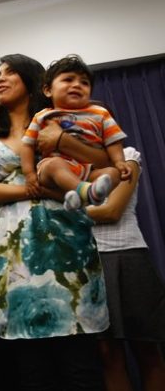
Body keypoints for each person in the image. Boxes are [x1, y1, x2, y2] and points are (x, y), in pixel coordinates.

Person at [0, 54, 110, 389]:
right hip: (13, 251)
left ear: (33, 80)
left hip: (67, 244)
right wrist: (32, 189)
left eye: (10, 72)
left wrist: (62, 142)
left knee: (80, 362)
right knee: (31, 366)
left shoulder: (61, 122)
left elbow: (105, 161)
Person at [86, 147, 165, 391]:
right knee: (108, 354)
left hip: (129, 256)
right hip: (88, 263)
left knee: (148, 349)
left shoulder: (129, 156)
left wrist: (66, 214)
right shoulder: (67, 166)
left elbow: (112, 210)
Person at [20, 54, 131, 211]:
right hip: (52, 169)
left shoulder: (100, 113)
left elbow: (113, 140)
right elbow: (27, 146)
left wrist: (119, 161)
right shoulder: (42, 115)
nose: (77, 85)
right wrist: (29, 173)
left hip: (88, 170)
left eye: (84, 83)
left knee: (112, 173)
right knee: (55, 165)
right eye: (68, 80)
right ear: (47, 90)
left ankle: (80, 196)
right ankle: (85, 193)